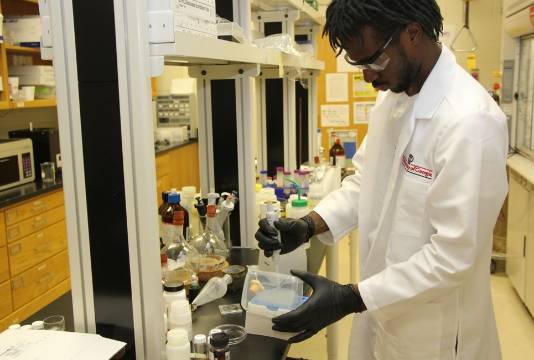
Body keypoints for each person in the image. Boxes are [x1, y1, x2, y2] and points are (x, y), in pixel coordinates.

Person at [255, 0, 508, 359]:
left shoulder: (470, 123)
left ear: (412, 33)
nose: (368, 77)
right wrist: (308, 225)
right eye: (359, 65)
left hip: (436, 332)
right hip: (383, 310)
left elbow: (453, 255)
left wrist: (351, 298)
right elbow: (366, 181)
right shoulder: (395, 98)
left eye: (373, 61)